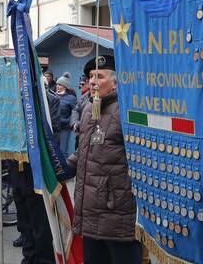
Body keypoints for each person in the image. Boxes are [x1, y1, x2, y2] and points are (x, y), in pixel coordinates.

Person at [67, 55, 141, 264]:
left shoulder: (129, 110)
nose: (91, 81)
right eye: (90, 76)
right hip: (89, 211)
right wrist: (65, 166)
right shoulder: (89, 108)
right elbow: (86, 149)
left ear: (116, 82)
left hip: (117, 213)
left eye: (99, 76)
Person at [10, 75, 62, 263]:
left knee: (39, 220)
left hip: (36, 166)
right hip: (17, 165)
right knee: (24, 219)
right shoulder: (11, 100)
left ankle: (43, 259)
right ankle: (29, 256)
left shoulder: (48, 99)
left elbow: (52, 128)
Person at [55, 72, 76, 156]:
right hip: (54, 128)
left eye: (60, 85)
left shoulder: (71, 98)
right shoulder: (53, 96)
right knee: (54, 151)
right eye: (57, 84)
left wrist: (67, 121)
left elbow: (75, 112)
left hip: (64, 128)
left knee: (63, 151)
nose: (57, 86)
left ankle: (64, 169)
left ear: (65, 86)